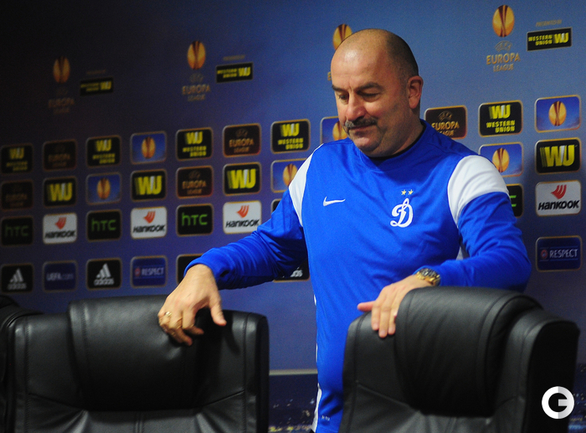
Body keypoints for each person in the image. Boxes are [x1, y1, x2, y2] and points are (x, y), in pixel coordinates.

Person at [158, 28, 531, 433]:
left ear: (412, 91)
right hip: (336, 420)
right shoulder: (321, 167)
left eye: (368, 94)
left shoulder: (464, 173)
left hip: (430, 418)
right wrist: (206, 268)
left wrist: (429, 280)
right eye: (341, 95)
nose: (352, 112)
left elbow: (509, 262)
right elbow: (272, 247)